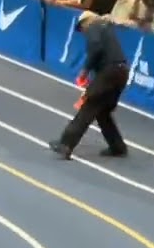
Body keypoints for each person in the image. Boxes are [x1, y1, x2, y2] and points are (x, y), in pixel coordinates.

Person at [50, 11, 129, 159]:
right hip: (122, 71)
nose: (83, 32)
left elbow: (96, 48)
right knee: (103, 111)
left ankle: (66, 144)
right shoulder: (106, 28)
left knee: (89, 106)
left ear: (86, 22)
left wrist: (85, 70)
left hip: (110, 72)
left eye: (81, 28)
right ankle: (117, 146)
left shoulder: (94, 26)